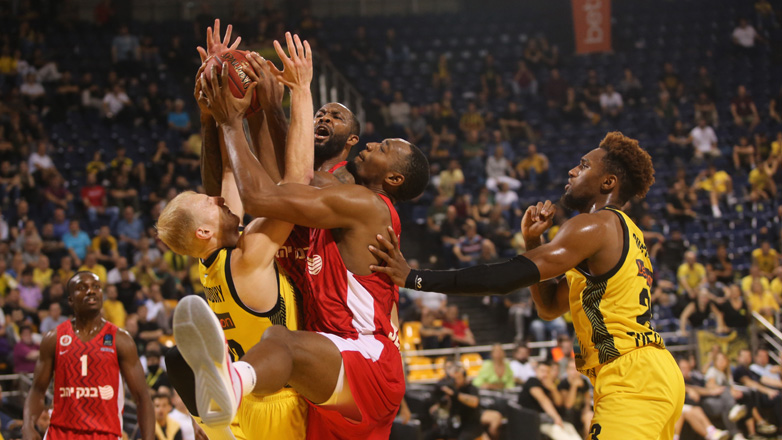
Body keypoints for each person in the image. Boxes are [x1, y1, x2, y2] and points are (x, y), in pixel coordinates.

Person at [171, 32, 429, 440]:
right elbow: (266, 183)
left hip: (361, 356)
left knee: (280, 342)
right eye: (319, 114)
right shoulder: (310, 194)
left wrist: (252, 111)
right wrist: (241, 98)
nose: (323, 119)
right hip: (323, 366)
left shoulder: (351, 195)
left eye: (336, 117)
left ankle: (230, 388)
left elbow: (275, 189)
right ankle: (228, 403)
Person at [370, 132, 685, 439]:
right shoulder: (627, 232)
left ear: (608, 182)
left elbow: (505, 278)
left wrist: (414, 277)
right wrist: (534, 242)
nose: (572, 171)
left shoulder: (594, 225)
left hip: (631, 376)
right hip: (652, 371)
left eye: (584, 166)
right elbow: (548, 307)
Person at [158, 25, 313, 440]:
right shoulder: (246, 259)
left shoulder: (213, 264)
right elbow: (295, 188)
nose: (217, 198)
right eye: (208, 203)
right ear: (204, 231)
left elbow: (230, 171)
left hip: (244, 408)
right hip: (276, 407)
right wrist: (293, 95)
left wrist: (214, 96)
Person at [22, 271, 154, 440]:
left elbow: (142, 397)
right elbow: (37, 390)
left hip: (105, 434)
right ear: (70, 300)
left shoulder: (120, 339)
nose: (91, 291)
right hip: (60, 434)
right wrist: (27, 425)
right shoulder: (54, 338)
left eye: (96, 287)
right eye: (82, 288)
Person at [519, 360, 581, 440]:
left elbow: (559, 403)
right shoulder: (532, 381)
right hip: (533, 422)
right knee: (557, 430)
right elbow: (543, 401)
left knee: (569, 426)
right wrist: (556, 418)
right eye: (542, 371)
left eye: (547, 372)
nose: (545, 374)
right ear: (536, 370)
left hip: (548, 420)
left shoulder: (548, 385)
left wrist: (553, 389)